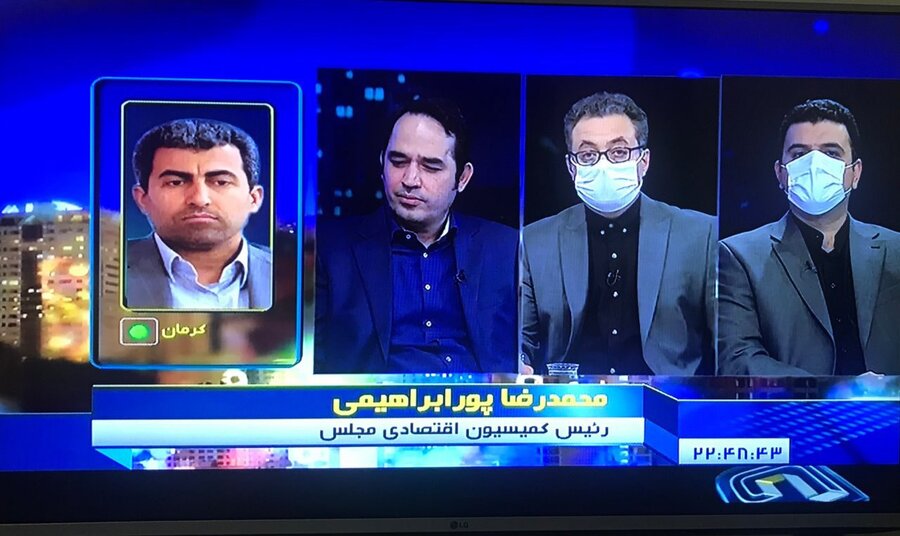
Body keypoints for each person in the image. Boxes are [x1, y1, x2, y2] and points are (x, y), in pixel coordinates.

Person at [315, 98, 518, 374]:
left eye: (430, 167)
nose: (410, 180)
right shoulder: (329, 250)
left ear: (463, 178)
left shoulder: (507, 248)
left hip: (481, 400)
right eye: (398, 162)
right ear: (381, 163)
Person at [521, 92, 715, 376]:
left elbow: (726, 342)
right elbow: (519, 339)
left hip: (668, 398)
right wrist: (518, 361)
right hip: (568, 399)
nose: (603, 165)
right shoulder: (534, 241)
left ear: (644, 161)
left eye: (619, 152)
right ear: (572, 167)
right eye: (588, 155)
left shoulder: (701, 234)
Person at [718, 99, 900, 375]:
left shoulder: (895, 250)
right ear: (780, 174)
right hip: (796, 404)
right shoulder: (738, 256)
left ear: (855, 173)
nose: (815, 165)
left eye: (831, 153)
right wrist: (831, 391)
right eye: (799, 154)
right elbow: (738, 359)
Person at [125, 118, 272, 310]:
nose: (200, 199)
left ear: (254, 198)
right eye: (175, 182)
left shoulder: (296, 272)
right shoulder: (99, 269)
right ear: (142, 198)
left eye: (221, 182)